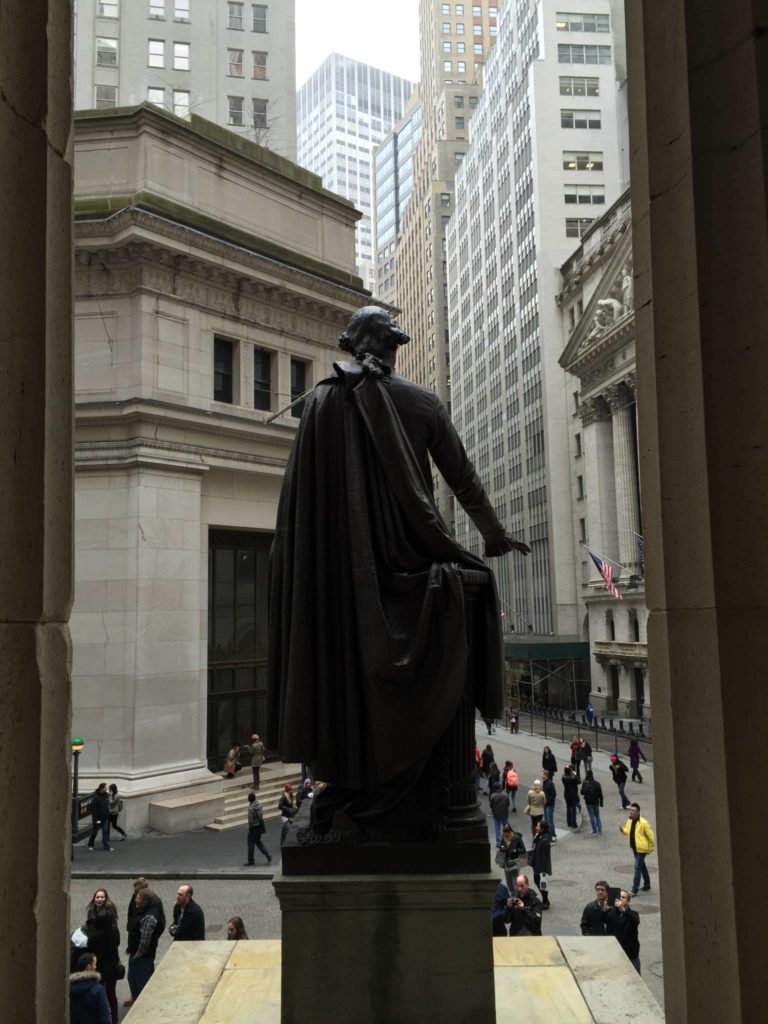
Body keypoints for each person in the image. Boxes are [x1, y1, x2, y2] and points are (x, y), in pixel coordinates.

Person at [267, 306, 529, 838]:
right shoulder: (421, 402)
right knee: (460, 589)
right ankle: (408, 781)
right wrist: (493, 535)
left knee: (348, 674)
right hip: (412, 561)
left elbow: (299, 515)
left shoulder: (319, 403)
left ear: (352, 345)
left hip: (342, 582)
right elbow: (463, 478)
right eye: (393, 343)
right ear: (389, 347)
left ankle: (357, 776)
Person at [84, 889, 121, 1023]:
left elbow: (114, 941)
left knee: (108, 993)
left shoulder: (108, 920)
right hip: (101, 962)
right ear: (94, 899)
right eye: (97, 897)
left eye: (102, 897)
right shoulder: (92, 913)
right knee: (104, 993)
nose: (99, 899)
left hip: (106, 962)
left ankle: (112, 1019)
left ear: (105, 899)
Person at [126, 888, 165, 1002]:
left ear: (144, 901)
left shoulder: (148, 917)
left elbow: (145, 940)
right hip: (134, 952)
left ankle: (143, 1004)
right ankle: (135, 998)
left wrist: (138, 954)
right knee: (131, 978)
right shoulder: (142, 909)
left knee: (142, 982)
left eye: (138, 898)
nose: (135, 900)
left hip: (142, 956)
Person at [122, 877, 148, 1008]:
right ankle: (134, 996)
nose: (134, 892)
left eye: (136, 889)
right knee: (131, 976)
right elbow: (130, 913)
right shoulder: (134, 898)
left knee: (141, 976)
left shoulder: (145, 902)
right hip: (133, 943)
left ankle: (141, 1002)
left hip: (140, 947)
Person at [619, 802, 655, 895]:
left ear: (638, 812)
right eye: (630, 810)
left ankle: (634, 889)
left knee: (637, 867)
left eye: (633, 810)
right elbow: (627, 831)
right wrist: (622, 830)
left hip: (642, 849)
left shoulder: (643, 822)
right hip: (635, 848)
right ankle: (647, 885)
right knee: (642, 866)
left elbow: (651, 836)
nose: (631, 812)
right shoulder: (630, 820)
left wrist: (650, 848)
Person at [606, 889, 642, 973]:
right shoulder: (611, 913)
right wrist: (604, 910)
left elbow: (635, 921)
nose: (621, 899)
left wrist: (624, 911)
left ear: (628, 901)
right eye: (619, 897)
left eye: (623, 897)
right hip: (616, 953)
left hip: (631, 955)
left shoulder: (633, 914)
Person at [69, 952, 111, 1024]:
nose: (96, 967)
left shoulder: (70, 989)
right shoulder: (98, 989)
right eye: (95, 964)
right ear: (89, 967)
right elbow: (104, 1016)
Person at [529, 820, 553, 909]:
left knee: (542, 883)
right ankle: (545, 900)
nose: (536, 827)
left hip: (541, 866)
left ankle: (545, 901)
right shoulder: (539, 836)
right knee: (538, 881)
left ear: (542, 828)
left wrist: (543, 870)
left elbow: (545, 856)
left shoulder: (545, 840)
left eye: (538, 826)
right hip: (536, 864)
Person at [497, 824, 526, 894]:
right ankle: (513, 895)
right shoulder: (504, 837)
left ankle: (517, 896)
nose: (504, 835)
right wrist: (502, 847)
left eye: (505, 833)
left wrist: (515, 850)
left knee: (515, 882)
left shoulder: (517, 838)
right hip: (506, 862)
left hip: (514, 862)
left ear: (509, 832)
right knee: (509, 882)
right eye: (503, 833)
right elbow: (501, 845)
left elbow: (523, 850)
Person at [245, 791, 272, 866]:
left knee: (251, 845)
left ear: (249, 800)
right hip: (259, 827)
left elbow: (250, 821)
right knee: (258, 842)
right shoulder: (260, 805)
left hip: (253, 828)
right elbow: (261, 816)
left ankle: (251, 860)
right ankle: (267, 855)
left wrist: (250, 828)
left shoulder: (250, 808)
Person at [87, 783, 112, 852]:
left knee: (105, 832)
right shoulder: (96, 797)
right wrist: (96, 819)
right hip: (98, 818)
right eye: (105, 788)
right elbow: (93, 809)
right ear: (101, 788)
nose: (106, 789)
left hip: (105, 817)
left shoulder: (106, 795)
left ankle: (106, 846)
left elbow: (107, 805)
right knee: (95, 831)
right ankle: (90, 844)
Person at [580, 769, 604, 835]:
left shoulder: (585, 783)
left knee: (592, 815)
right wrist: (601, 801)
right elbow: (600, 793)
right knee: (597, 815)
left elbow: (581, 792)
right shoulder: (597, 783)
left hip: (588, 801)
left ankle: (595, 830)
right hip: (596, 801)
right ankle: (600, 830)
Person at [561, 764, 581, 829]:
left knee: (568, 808)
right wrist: (575, 774)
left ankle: (569, 822)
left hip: (566, 794)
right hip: (573, 794)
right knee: (573, 809)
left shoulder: (563, 777)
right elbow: (579, 782)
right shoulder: (573, 778)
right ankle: (574, 823)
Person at [541, 769, 557, 841]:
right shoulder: (544, 782)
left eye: (542, 774)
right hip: (545, 804)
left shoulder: (550, 783)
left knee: (550, 820)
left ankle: (553, 835)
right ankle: (548, 834)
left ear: (545, 775)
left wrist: (547, 801)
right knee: (546, 820)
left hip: (549, 805)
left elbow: (553, 794)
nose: (541, 775)